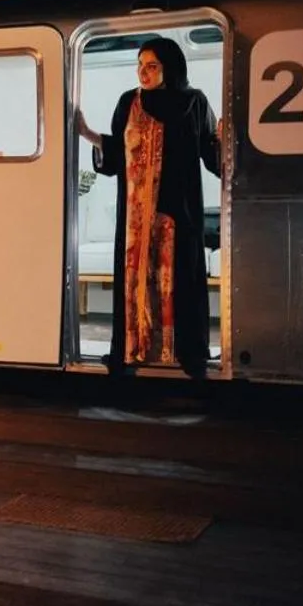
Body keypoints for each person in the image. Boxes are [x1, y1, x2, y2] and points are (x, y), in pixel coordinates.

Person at [74, 37, 222, 379]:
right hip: (135, 218)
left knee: (178, 279)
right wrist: (87, 133)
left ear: (169, 67)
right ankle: (133, 349)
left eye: (152, 65)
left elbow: (211, 153)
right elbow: (114, 156)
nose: (143, 72)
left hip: (177, 213)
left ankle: (184, 353)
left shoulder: (193, 102)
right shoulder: (129, 102)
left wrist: (225, 140)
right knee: (135, 280)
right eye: (140, 65)